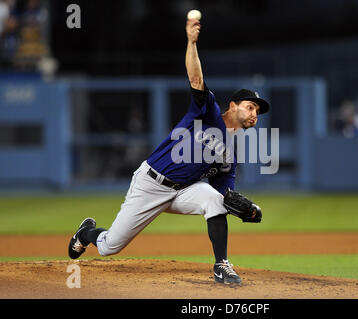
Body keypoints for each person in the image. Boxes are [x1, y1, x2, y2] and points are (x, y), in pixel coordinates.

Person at [68, 17, 270, 285]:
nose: (254, 113)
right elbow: (196, 79)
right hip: (151, 183)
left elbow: (224, 193)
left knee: (214, 201)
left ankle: (221, 264)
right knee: (109, 247)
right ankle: (86, 234)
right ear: (232, 106)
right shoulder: (207, 113)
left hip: (184, 190)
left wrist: (248, 208)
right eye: (250, 106)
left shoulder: (230, 154)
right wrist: (191, 42)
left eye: (257, 111)